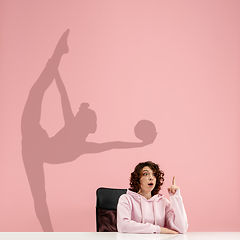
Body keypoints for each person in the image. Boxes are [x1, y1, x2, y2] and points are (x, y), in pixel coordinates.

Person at [21, 30, 156, 232]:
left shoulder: (80, 141)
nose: (93, 122)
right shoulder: (74, 132)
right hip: (36, 139)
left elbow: (113, 145)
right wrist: (56, 70)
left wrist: (140, 144)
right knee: (37, 91)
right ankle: (59, 54)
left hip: (34, 148)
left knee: (39, 197)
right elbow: (63, 96)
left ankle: (49, 235)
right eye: (91, 119)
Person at [117, 161, 188, 234]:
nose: (151, 178)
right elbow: (123, 226)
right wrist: (159, 230)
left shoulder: (163, 203)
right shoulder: (126, 199)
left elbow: (182, 228)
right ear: (138, 178)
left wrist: (176, 197)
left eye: (154, 174)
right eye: (145, 174)